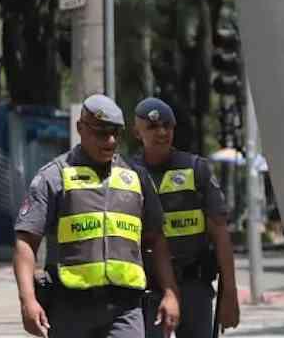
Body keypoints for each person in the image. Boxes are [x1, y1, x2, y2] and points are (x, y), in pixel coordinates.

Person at [13, 94, 181, 338]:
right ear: (80, 128)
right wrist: (27, 300)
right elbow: (25, 242)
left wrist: (170, 292)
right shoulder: (54, 177)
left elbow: (157, 240)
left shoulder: (136, 177)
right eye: (102, 133)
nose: (111, 141)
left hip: (126, 310)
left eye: (116, 133)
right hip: (70, 309)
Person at [132, 97, 240, 338]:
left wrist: (229, 296)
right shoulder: (127, 174)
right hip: (149, 290)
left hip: (195, 288)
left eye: (167, 126)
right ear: (137, 133)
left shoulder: (195, 169)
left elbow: (220, 234)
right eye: (152, 127)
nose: (161, 132)